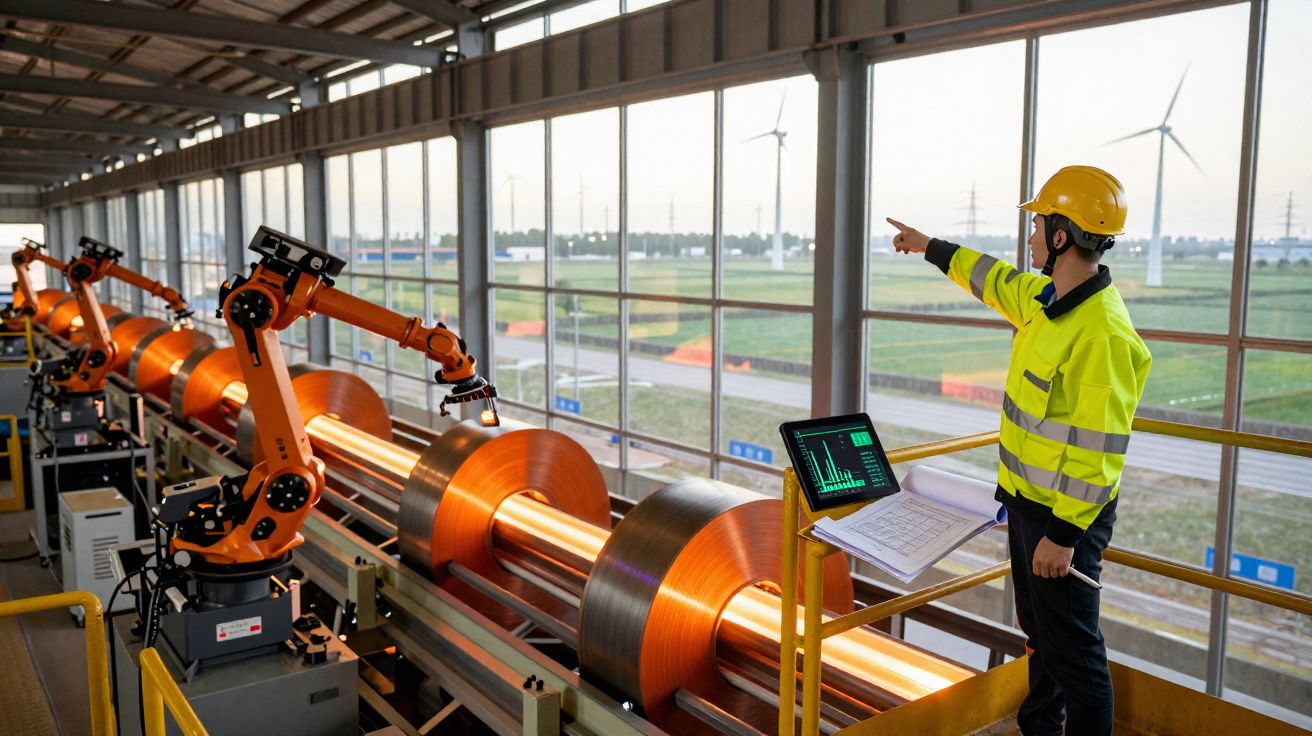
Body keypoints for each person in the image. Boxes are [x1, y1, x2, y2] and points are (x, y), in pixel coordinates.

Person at [886, 165, 1152, 736]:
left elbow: (1098, 453)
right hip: (1029, 504)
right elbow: (992, 277)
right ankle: (1038, 726)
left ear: (1061, 236)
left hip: (1063, 520)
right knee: (1041, 636)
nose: (1030, 238)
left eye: (1038, 226)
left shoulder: (1101, 334)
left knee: (1076, 654)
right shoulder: (1046, 298)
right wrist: (927, 245)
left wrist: (1062, 537)